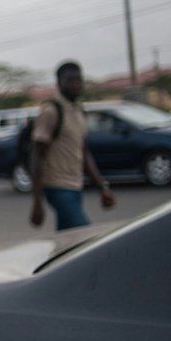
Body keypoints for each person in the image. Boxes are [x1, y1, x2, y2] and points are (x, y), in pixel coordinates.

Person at [30, 61, 115, 231]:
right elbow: (36, 157)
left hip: (76, 185)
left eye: (78, 80)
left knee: (68, 240)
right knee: (83, 235)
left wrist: (102, 187)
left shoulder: (78, 111)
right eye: (70, 80)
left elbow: (83, 152)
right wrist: (37, 203)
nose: (76, 84)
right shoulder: (51, 112)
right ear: (59, 83)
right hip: (57, 186)